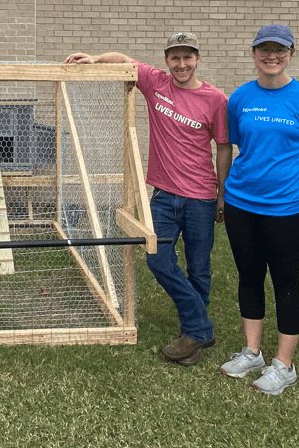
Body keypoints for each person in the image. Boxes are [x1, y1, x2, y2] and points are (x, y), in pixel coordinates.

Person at [64, 33, 231, 366]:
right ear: (167, 61)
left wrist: (221, 193)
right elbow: (125, 59)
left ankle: (192, 334)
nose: (181, 64)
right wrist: (96, 59)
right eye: (174, 58)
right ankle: (199, 329)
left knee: (199, 267)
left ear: (197, 59)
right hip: (164, 196)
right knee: (158, 259)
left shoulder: (215, 99)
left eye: (187, 58)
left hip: (200, 197)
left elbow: (224, 147)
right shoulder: (157, 84)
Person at [219, 24, 299, 394]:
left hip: (287, 209)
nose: (272, 56)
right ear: (254, 54)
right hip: (241, 204)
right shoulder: (239, 98)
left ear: (291, 53)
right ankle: (252, 351)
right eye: (264, 50)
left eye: (279, 50)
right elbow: (239, 146)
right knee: (248, 276)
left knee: (286, 282)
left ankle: (284, 365)